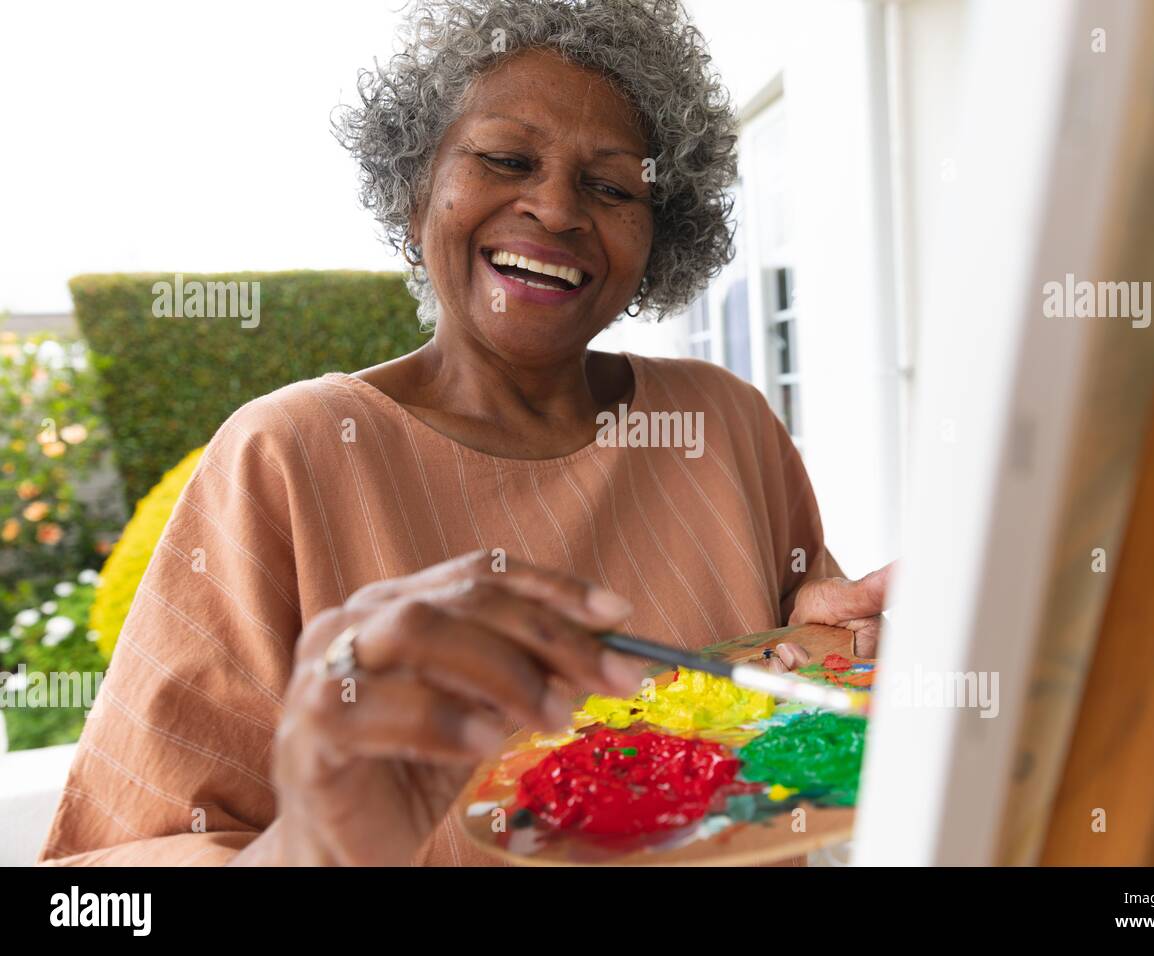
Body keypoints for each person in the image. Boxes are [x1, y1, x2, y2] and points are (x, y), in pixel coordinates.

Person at [40, 0, 891, 867]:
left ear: (657, 236)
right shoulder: (286, 457)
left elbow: (787, 686)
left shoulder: (724, 420)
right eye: (506, 159)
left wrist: (832, 647)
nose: (557, 210)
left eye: (611, 186)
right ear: (414, 193)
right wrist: (317, 845)